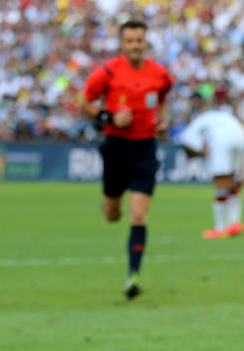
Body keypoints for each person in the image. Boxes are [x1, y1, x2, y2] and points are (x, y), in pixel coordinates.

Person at [81, 19, 173, 299]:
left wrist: (163, 120)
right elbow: (83, 103)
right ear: (122, 43)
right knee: (113, 215)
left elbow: (164, 97)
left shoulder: (160, 74)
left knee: (138, 214)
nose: (135, 46)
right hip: (116, 147)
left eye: (139, 41)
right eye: (130, 41)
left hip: (145, 149)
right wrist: (109, 117)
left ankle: (133, 276)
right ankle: (109, 204)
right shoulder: (107, 72)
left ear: (146, 43)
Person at [179, 87, 244, 239]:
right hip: (240, 135)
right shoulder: (219, 116)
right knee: (232, 182)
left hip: (223, 140)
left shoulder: (194, 126)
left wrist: (200, 153)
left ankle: (220, 228)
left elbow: (189, 143)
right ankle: (235, 223)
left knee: (221, 184)